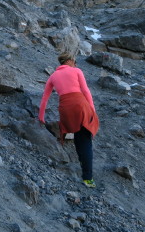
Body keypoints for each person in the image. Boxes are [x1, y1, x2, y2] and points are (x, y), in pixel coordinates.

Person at [38, 52, 99, 188]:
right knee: (85, 138)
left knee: (78, 136)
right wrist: (92, 110)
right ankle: (88, 178)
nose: (76, 63)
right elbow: (86, 91)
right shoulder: (76, 71)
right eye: (75, 61)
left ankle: (84, 167)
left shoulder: (53, 76)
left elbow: (44, 98)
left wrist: (41, 117)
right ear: (70, 61)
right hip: (79, 104)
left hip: (65, 108)